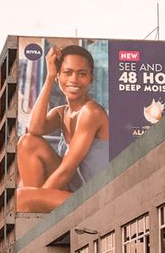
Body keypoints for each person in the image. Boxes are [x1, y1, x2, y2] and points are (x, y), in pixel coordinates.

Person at [16, 44, 110, 214]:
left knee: (22, 198)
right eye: (67, 73)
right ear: (59, 75)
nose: (74, 79)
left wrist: (36, 198)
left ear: (91, 78)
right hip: (71, 193)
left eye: (81, 74)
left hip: (94, 197)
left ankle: (39, 219)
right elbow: (34, 129)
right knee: (27, 143)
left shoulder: (91, 112)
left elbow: (67, 170)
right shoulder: (61, 112)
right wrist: (49, 77)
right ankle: (39, 216)